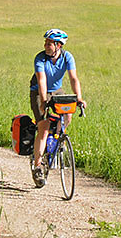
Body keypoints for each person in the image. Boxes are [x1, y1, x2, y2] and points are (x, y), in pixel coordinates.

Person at [29, 28, 85, 187]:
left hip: (57, 90)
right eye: (45, 43)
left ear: (59, 45)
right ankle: (38, 165)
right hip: (39, 91)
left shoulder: (67, 57)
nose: (46, 45)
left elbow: (73, 78)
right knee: (44, 127)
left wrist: (78, 97)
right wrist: (43, 102)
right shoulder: (40, 58)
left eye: (50, 43)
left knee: (68, 114)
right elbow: (41, 81)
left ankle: (58, 138)